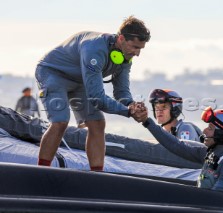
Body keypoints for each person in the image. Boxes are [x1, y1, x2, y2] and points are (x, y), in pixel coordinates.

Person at [35, 16, 149, 171]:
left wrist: (132, 105)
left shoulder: (124, 57)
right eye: (135, 47)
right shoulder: (94, 49)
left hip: (79, 80)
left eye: (140, 49)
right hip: (53, 73)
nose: (137, 54)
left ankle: (97, 175)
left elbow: (121, 91)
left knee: (97, 123)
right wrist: (128, 112)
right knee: (60, 121)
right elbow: (97, 99)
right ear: (121, 38)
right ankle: (42, 171)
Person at [138, 106, 223, 195]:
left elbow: (219, 197)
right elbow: (175, 145)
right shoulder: (210, 154)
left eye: (210, 128)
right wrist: (147, 122)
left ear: (222, 135)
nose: (205, 131)